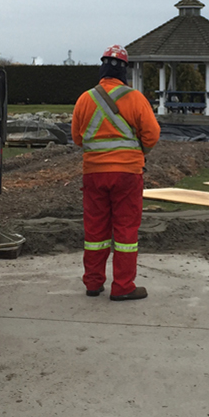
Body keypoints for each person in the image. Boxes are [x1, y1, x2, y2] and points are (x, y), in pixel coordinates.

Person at [71, 45, 161, 301]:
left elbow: (78, 139)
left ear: (102, 68)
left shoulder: (84, 99)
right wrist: (138, 151)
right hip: (127, 175)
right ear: (125, 71)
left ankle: (93, 283)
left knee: (95, 230)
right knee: (125, 231)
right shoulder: (135, 98)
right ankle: (122, 286)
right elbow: (152, 135)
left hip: (94, 174)